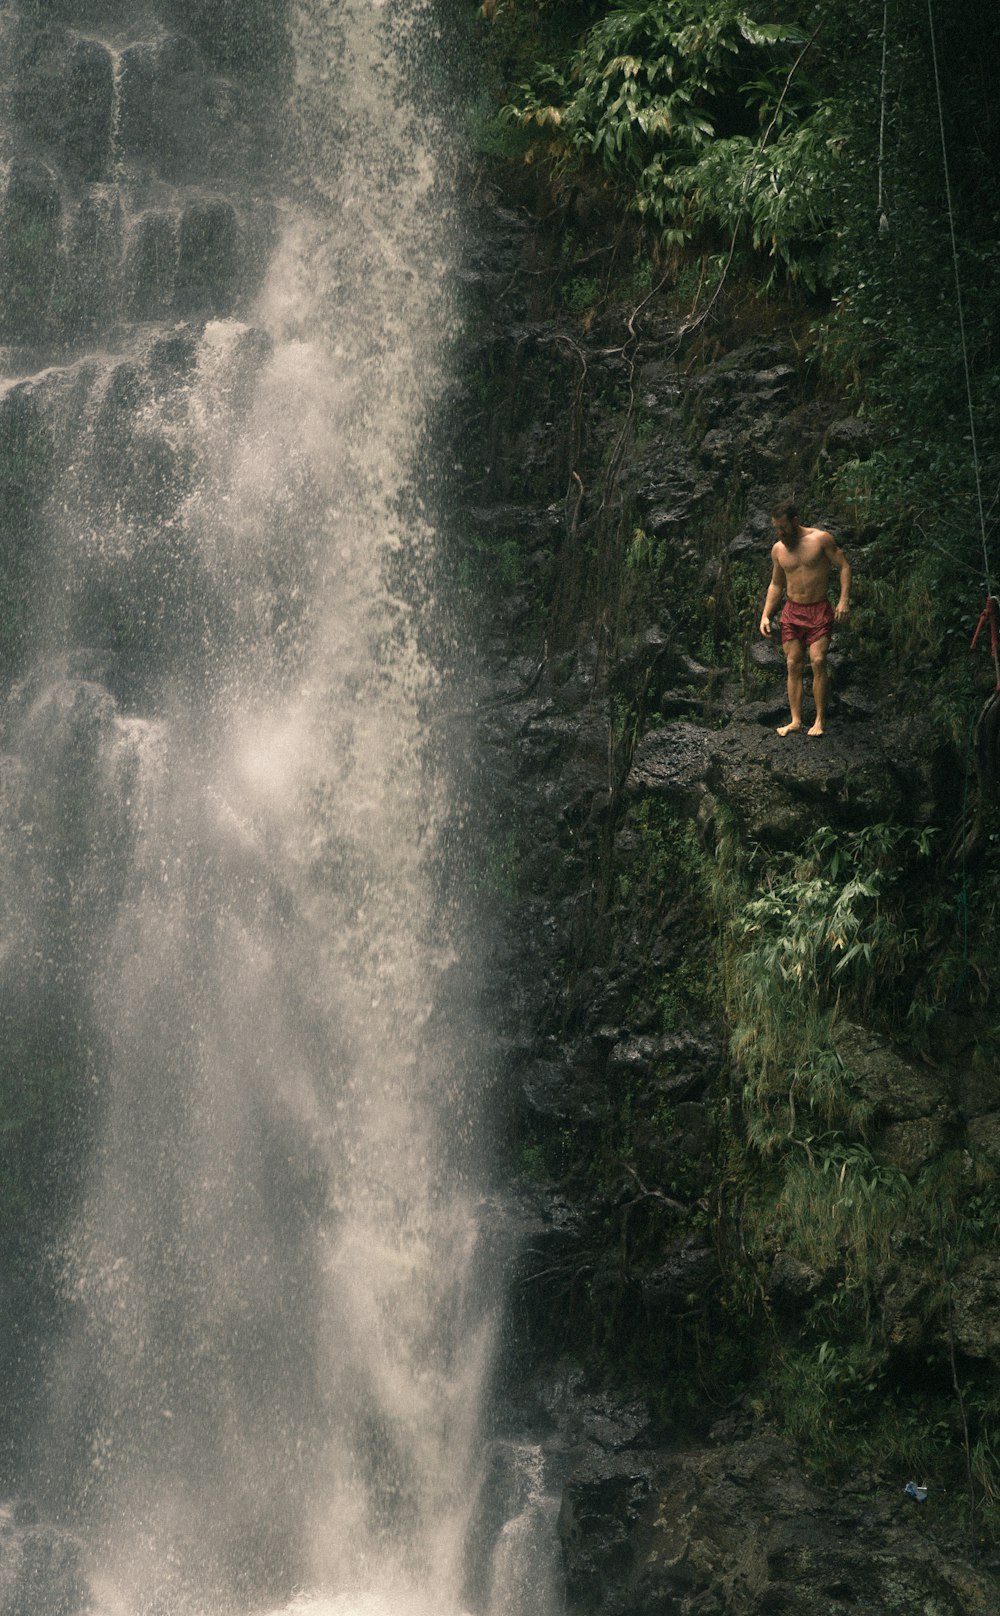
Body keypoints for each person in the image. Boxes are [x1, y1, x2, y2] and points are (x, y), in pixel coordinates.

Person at [759, 501, 851, 737]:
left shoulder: (820, 540)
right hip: (792, 611)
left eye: (783, 528)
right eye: (776, 529)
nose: (780, 534)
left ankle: (819, 720)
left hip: (818, 610)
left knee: (818, 660)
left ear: (795, 522)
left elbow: (843, 566)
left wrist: (843, 599)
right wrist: (766, 615)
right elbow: (776, 584)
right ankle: (796, 720)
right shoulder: (778, 550)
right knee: (792, 664)